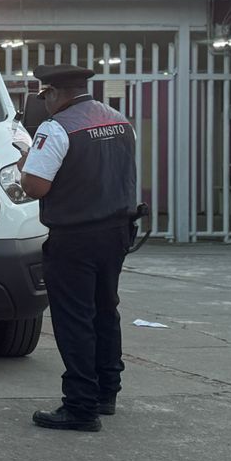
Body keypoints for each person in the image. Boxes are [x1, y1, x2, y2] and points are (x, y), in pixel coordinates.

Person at [20, 64, 138, 432]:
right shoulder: (118, 119)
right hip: (117, 231)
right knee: (106, 311)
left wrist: (25, 164)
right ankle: (106, 393)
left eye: (44, 96)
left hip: (75, 237)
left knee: (74, 320)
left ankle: (80, 406)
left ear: (53, 92)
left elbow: (35, 187)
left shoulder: (56, 128)